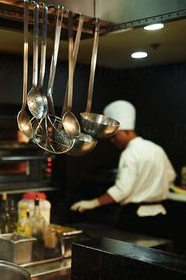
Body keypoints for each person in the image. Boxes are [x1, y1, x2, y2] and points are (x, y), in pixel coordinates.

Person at [70, 100, 176, 237]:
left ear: (126, 131)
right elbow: (171, 176)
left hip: (135, 218)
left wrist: (92, 203)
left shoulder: (129, 153)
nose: (112, 141)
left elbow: (122, 190)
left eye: (114, 136)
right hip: (160, 217)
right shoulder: (156, 149)